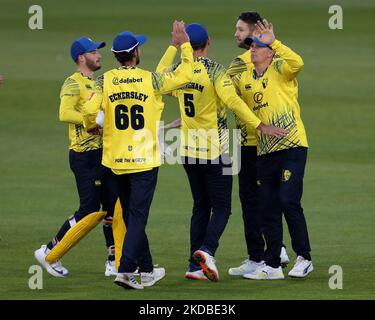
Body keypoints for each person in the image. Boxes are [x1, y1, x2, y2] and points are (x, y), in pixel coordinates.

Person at [156, 23, 287, 282]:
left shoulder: (178, 71)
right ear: (208, 42)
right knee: (223, 207)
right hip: (218, 149)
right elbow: (234, 102)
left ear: (185, 45)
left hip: (187, 149)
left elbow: (159, 79)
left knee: (200, 207)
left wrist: (173, 47)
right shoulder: (215, 71)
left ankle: (194, 267)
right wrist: (260, 125)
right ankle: (207, 251)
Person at [82, 21, 195, 290]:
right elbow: (186, 74)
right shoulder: (150, 80)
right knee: (138, 216)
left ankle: (146, 269)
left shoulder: (104, 81)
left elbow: (88, 112)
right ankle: (125, 270)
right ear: (136, 54)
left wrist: (94, 127)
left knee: (133, 216)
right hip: (144, 160)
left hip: (116, 161)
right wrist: (185, 45)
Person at [232, 19, 313, 279]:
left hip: (292, 146)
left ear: (269, 52)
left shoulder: (281, 69)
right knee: (267, 206)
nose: (253, 49)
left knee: (288, 200)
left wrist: (275, 41)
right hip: (265, 151)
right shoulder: (245, 78)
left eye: (258, 46)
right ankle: (273, 264)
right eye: (252, 46)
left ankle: (304, 257)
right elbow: (228, 96)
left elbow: (299, 62)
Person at [34, 37, 116, 277]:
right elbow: (64, 112)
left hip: (102, 153)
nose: (99, 55)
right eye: (94, 52)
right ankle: (49, 250)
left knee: (113, 206)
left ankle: (113, 261)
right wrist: (89, 122)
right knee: (89, 209)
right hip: (84, 155)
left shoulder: (98, 83)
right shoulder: (73, 83)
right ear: (82, 57)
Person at [227, 11, 290, 277]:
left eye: (240, 30)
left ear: (254, 32)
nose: (236, 34)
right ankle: (256, 256)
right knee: (249, 200)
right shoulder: (240, 63)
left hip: (264, 143)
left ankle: (274, 254)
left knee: (264, 200)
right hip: (245, 142)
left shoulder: (259, 61)